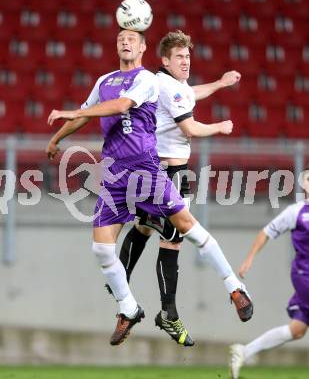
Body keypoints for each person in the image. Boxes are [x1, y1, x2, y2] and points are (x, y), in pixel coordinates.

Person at [46, 28, 252, 347]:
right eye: (120, 39)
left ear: (143, 48)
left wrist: (220, 86)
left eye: (132, 38)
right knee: (102, 247)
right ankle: (130, 308)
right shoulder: (105, 81)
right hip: (115, 172)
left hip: (146, 169)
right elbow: (90, 114)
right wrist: (57, 137)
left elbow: (121, 106)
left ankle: (232, 286)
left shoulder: (146, 79)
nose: (125, 42)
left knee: (182, 230)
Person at [116, 30, 251, 347]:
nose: (186, 62)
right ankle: (181, 306)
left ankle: (126, 296)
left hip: (172, 171)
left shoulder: (173, 85)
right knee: (177, 237)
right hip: (164, 172)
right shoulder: (165, 85)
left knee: (152, 231)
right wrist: (219, 126)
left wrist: (219, 84)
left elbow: (190, 94)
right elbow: (189, 126)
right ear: (165, 60)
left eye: (188, 56)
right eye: (180, 57)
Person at [229, 168, 309, 379]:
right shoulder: (296, 212)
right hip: (304, 274)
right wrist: (249, 258)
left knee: (297, 330)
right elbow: (266, 232)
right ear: (304, 184)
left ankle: (244, 352)